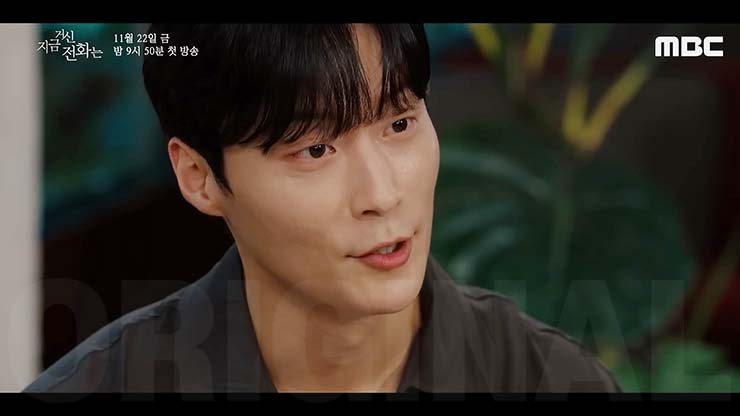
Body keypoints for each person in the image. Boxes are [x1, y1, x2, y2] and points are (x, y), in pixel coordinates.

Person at [25, 23, 621, 393]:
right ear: (199, 177)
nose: (381, 195)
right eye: (315, 150)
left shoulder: (550, 380)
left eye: (400, 123)